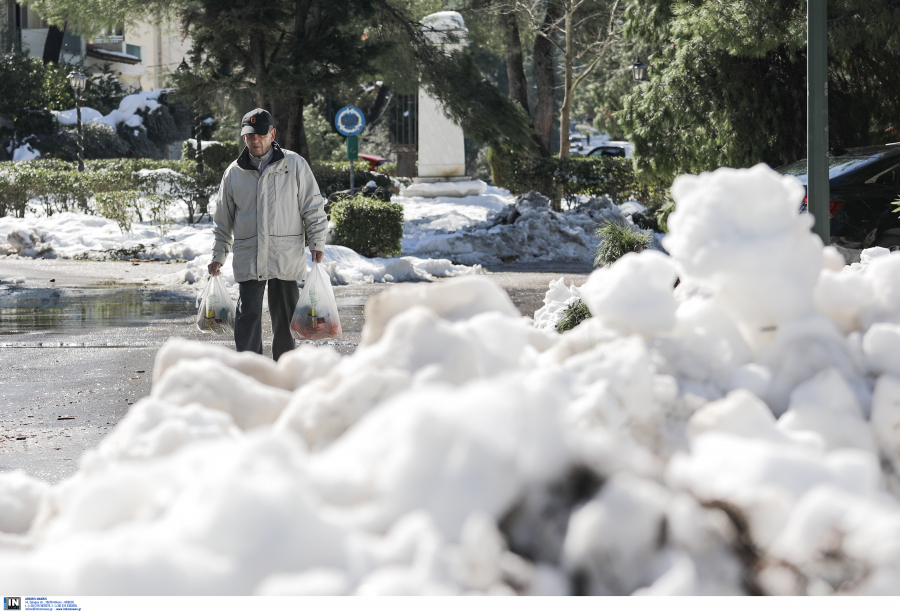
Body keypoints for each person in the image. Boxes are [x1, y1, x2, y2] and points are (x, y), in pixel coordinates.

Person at [207, 108, 328, 361]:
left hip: (284, 254)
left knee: (285, 317)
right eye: (250, 136)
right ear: (244, 138)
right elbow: (223, 220)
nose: (256, 140)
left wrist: (317, 240)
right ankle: (251, 371)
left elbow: (312, 206)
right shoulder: (233, 173)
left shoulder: (294, 165)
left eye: (261, 135)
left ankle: (283, 370)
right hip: (249, 254)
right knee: (247, 315)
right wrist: (218, 255)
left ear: (272, 134)